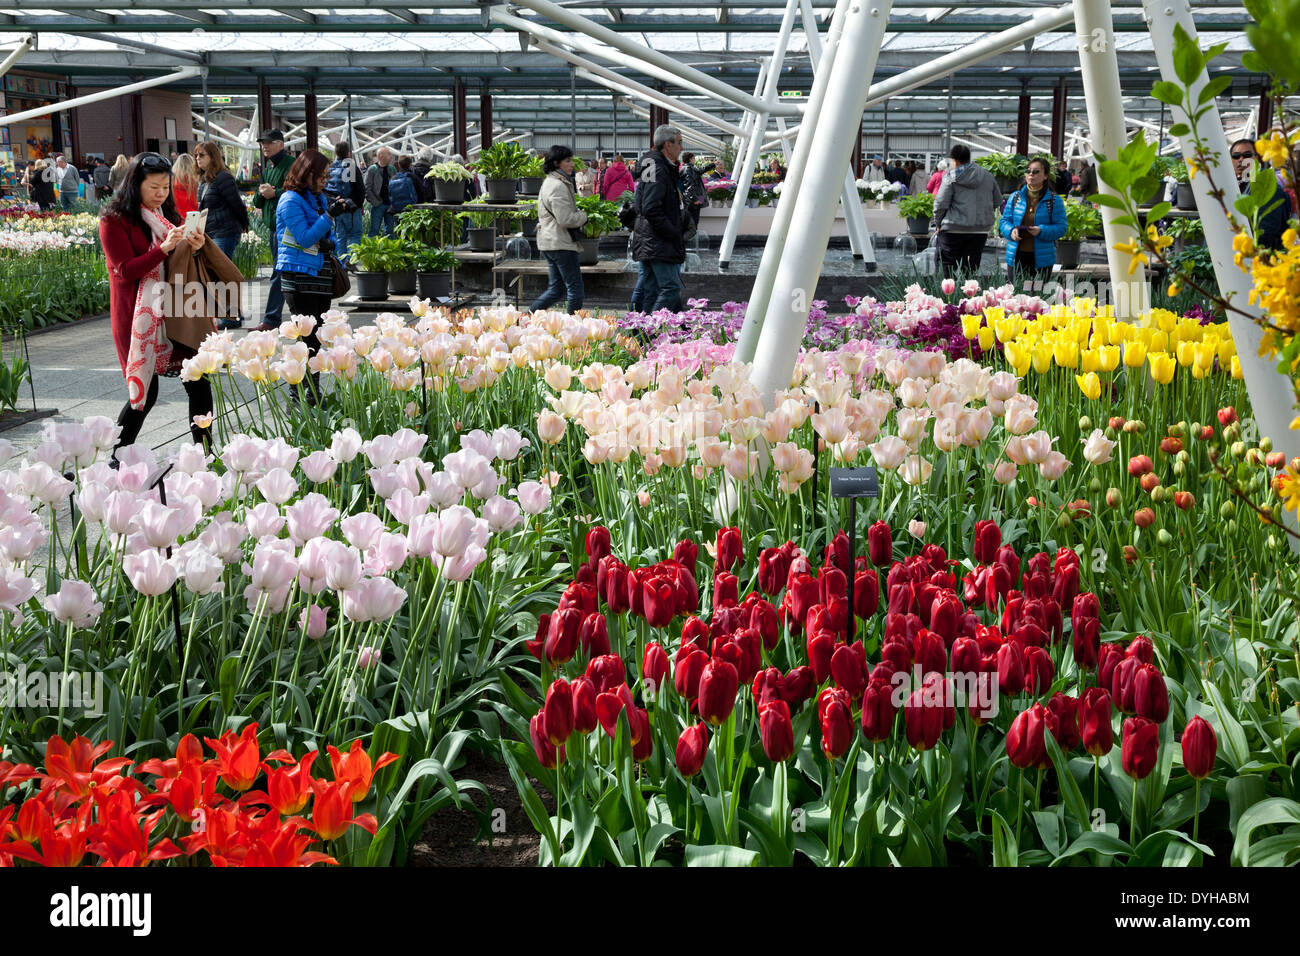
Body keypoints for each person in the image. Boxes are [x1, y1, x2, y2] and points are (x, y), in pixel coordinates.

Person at [99, 152, 212, 461]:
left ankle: (204, 453)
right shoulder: (113, 220)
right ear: (135, 185)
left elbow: (182, 259)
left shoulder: (167, 216)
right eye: (154, 187)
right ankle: (116, 458)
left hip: (175, 311)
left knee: (198, 379)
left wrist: (195, 244)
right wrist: (164, 249)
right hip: (136, 317)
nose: (161, 194)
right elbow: (124, 269)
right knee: (145, 395)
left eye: (165, 186)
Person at [276, 148, 345, 405]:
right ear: (307, 174)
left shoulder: (317, 199)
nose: (325, 182)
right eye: (322, 177)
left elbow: (329, 238)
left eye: (327, 177)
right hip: (298, 276)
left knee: (316, 337)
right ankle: (297, 394)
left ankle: (312, 393)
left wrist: (330, 241)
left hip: (320, 275)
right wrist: (329, 216)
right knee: (305, 338)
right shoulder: (290, 201)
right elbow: (305, 237)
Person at [631, 125, 689, 313]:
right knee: (670, 289)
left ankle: (640, 334)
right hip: (658, 240)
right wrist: (672, 232)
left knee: (651, 290)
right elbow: (651, 207)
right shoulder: (659, 168)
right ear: (667, 145)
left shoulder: (653, 165)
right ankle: (647, 332)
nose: (681, 148)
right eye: (679, 143)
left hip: (648, 238)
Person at [194, 142, 249, 330]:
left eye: (202, 155)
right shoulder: (204, 180)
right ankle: (231, 315)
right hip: (211, 232)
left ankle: (231, 317)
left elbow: (237, 204)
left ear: (213, 157)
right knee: (217, 275)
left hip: (225, 231)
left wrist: (244, 224)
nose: (198, 159)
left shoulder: (223, 178)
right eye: (196, 155)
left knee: (223, 274)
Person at [931, 144, 1005, 278]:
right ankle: (969, 298)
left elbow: (940, 203)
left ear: (955, 160)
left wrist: (938, 223)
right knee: (970, 273)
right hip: (979, 231)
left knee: (945, 271)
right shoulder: (987, 176)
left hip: (953, 229)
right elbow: (997, 201)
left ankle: (945, 299)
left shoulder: (951, 176)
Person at [529, 145, 588, 314]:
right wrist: (583, 217)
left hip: (551, 241)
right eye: (567, 161)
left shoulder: (550, 182)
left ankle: (528, 316)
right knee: (575, 289)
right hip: (561, 243)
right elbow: (565, 219)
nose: (572, 165)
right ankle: (572, 327)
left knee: (556, 289)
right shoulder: (558, 185)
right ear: (556, 163)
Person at [251, 129, 295, 331]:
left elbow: (296, 191)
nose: (265, 146)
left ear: (281, 144)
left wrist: (274, 192)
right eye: (262, 143)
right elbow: (258, 201)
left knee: (280, 272)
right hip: (273, 228)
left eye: (269, 142)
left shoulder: (290, 165)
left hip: (285, 228)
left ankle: (271, 319)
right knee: (283, 272)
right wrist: (263, 193)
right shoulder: (268, 168)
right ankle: (287, 317)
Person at [999, 156, 1067, 283]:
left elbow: (1061, 227)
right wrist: (1011, 230)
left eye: (1036, 172)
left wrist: (1041, 230)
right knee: (1015, 298)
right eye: (1028, 171)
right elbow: (1004, 222)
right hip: (1016, 256)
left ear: (1045, 176)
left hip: (1042, 260)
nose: (1031, 174)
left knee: (1038, 299)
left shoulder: (1054, 200)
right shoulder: (1015, 197)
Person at [1230, 137, 1293, 252]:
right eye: (1236, 156)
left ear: (1257, 158)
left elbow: (1266, 230)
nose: (1241, 159)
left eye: (1247, 155)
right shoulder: (1233, 186)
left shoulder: (1267, 187)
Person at [324, 140, 365, 265]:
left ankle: (341, 262)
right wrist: (357, 204)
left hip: (336, 208)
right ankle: (351, 261)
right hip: (351, 208)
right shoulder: (350, 166)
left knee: (340, 236)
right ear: (348, 152)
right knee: (355, 234)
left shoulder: (331, 167)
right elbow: (359, 188)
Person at [364, 146, 396, 236]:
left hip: (390, 205)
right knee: (374, 230)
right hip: (378, 205)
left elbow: (396, 186)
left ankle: (390, 249)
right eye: (388, 154)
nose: (391, 156)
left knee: (390, 230)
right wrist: (376, 202)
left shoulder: (392, 169)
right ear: (381, 156)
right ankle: (372, 249)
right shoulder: (372, 169)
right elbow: (367, 188)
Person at [679, 151, 707, 230]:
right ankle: (691, 240)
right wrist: (695, 199)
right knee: (693, 223)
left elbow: (700, 172)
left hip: (694, 198)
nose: (694, 160)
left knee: (693, 222)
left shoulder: (690, 168)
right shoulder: (689, 168)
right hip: (693, 200)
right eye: (694, 158)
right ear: (690, 159)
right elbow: (690, 186)